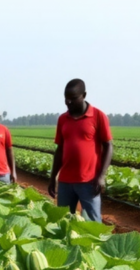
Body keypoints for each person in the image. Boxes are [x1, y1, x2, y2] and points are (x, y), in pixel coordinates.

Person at [48, 79, 113, 222]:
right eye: (66, 98)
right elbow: (60, 150)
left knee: (93, 222)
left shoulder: (97, 116)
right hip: (65, 181)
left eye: (73, 98)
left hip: (89, 181)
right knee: (63, 221)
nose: (68, 102)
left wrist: (101, 176)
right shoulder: (63, 119)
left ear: (84, 95)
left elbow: (108, 146)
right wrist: (53, 178)